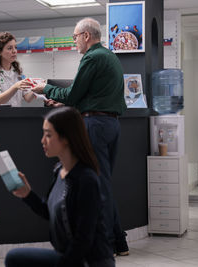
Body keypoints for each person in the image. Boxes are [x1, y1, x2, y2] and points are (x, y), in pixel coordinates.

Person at [31, 17, 129, 256]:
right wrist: (65, 99)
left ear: (86, 36)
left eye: (75, 36)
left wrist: (46, 88)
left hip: (94, 125)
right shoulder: (110, 56)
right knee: (103, 182)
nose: (74, 41)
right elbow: (91, 95)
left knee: (97, 184)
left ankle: (105, 245)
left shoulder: (92, 57)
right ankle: (118, 241)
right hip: (111, 124)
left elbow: (73, 94)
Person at [5, 107, 114, 267]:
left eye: (48, 135)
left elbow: (84, 238)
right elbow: (50, 213)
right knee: (14, 257)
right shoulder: (59, 171)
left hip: (89, 261)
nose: (43, 140)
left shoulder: (86, 179)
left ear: (66, 138)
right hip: (68, 256)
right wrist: (27, 195)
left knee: (15, 259)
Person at [0, 32, 35, 107]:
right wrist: (15, 87)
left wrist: (36, 89)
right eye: (10, 48)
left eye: (15, 47)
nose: (14, 51)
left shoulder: (18, 72)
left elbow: (28, 98)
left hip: (15, 116)